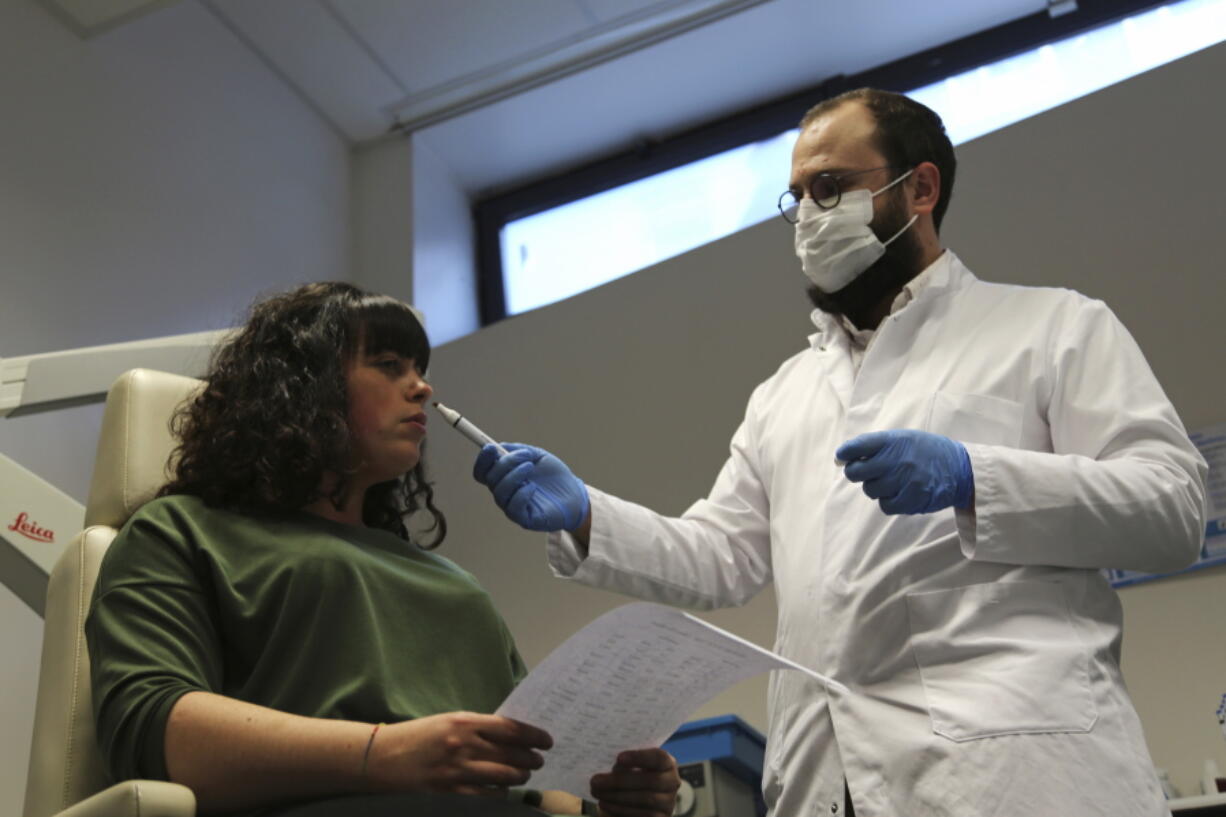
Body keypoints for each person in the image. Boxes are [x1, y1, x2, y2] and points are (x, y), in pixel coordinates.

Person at [473, 89, 1209, 817]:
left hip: (1017, 774)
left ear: (920, 187)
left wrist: (972, 474)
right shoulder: (783, 394)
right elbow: (721, 555)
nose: (810, 217)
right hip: (829, 781)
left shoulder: (1051, 327)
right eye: (798, 196)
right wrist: (586, 518)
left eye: (831, 187)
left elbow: (1172, 508)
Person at [86, 282, 680, 817]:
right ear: (301, 387)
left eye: (419, 367)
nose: (422, 386)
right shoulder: (181, 533)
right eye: (389, 364)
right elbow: (148, 729)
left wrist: (608, 801)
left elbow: (534, 777)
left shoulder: (455, 586)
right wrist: (384, 753)